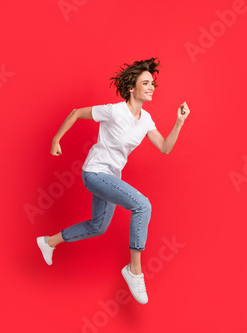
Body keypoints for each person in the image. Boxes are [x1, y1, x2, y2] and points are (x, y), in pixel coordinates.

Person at [36, 57, 190, 304]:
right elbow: (77, 113)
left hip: (110, 177)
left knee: (98, 227)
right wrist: (56, 139)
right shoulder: (114, 110)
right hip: (95, 173)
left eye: (153, 83)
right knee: (143, 205)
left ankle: (49, 242)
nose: (152, 87)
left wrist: (179, 122)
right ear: (132, 88)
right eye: (146, 82)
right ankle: (134, 270)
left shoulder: (146, 119)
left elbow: (164, 147)